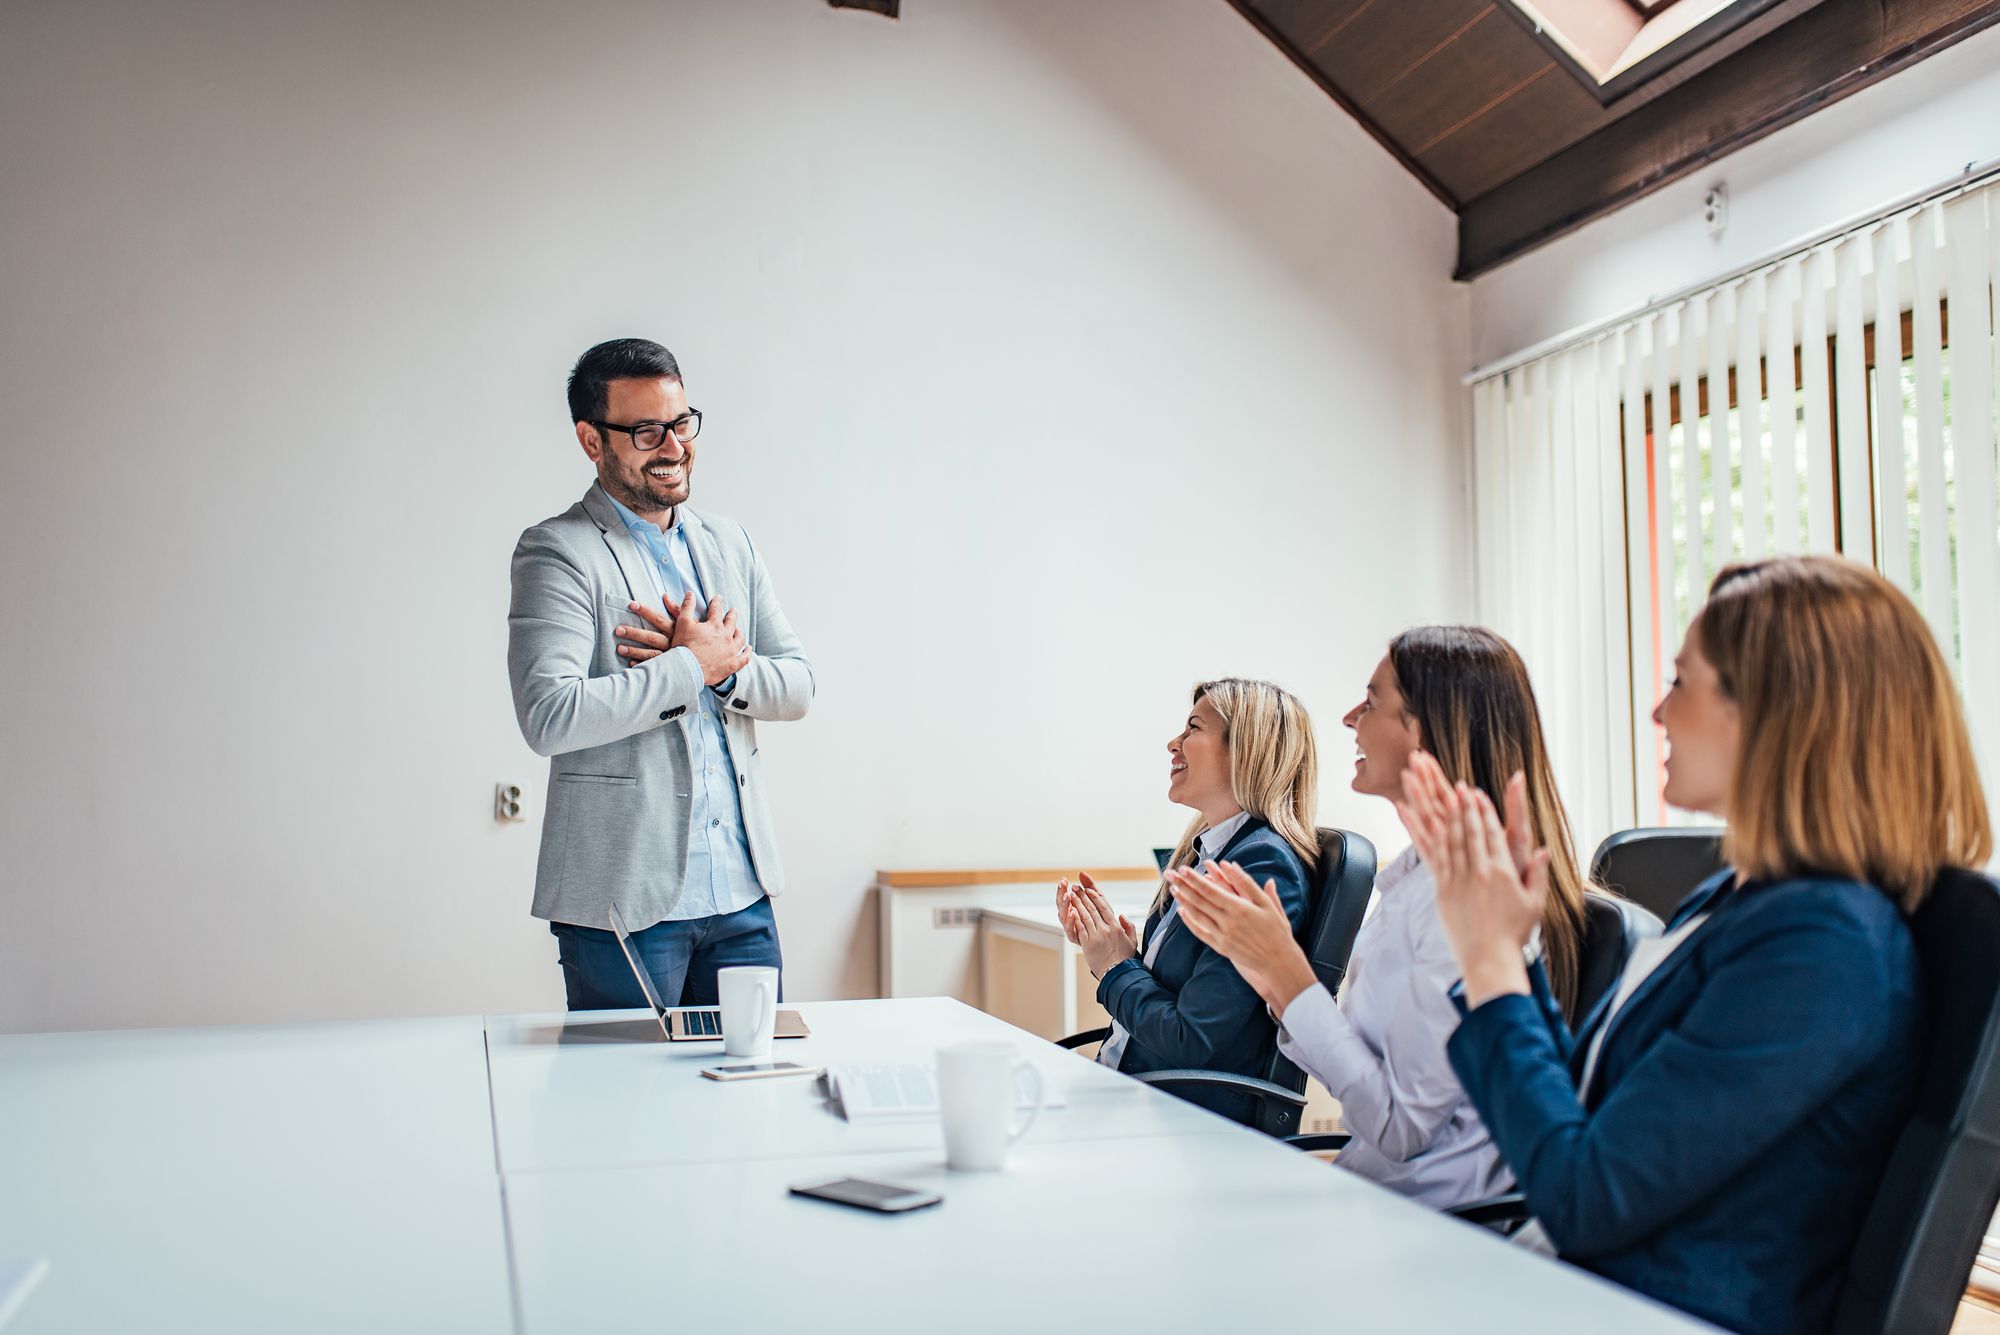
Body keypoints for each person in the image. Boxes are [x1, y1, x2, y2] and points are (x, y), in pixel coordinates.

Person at [1413, 555, 1992, 1335]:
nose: (1658, 711)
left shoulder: (1826, 946)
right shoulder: (1741, 897)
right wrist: (1507, 951)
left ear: (1778, 712)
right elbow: (1585, 1112)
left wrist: (1486, 964)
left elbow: (1586, 1197)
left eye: (1682, 682)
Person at [1167, 627, 1589, 1207]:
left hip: (1425, 1218)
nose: (1348, 718)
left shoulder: (1461, 903)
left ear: (1426, 727)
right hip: (1370, 1189)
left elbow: (1398, 1131)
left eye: (1371, 702)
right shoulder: (1412, 879)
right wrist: (1272, 978)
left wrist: (1289, 979)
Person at [508, 338, 814, 1011]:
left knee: (749, 1104)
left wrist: (725, 674)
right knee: (624, 1113)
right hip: (623, 908)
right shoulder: (557, 550)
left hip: (743, 897)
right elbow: (549, 714)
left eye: (681, 422)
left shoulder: (729, 543)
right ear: (593, 439)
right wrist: (688, 666)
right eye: (646, 430)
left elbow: (798, 683)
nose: (673, 446)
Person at [1059, 679, 1317, 1125]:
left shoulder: (1260, 867)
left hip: (1177, 1123)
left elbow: (1189, 1040)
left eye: (1193, 729)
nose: (1173, 744)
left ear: (1245, 751)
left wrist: (1114, 967)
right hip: (1135, 1093)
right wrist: (1117, 952)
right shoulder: (1209, 854)